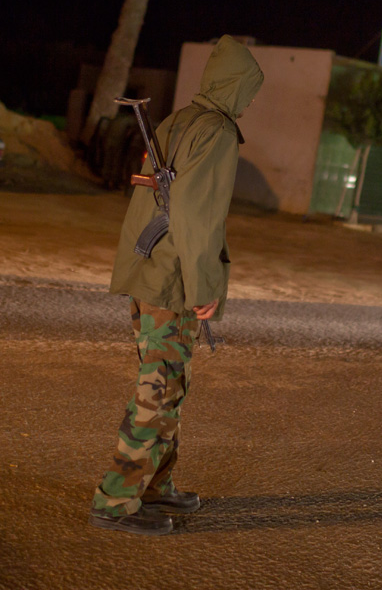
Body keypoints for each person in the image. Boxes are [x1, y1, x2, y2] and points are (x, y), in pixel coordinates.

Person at [88, 35, 264, 536]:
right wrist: (206, 286)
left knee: (171, 384)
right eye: (248, 90)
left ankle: (155, 486)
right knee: (158, 388)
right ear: (233, 86)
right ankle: (115, 502)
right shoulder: (218, 132)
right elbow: (196, 215)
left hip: (151, 271)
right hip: (173, 278)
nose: (250, 101)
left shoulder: (177, 120)